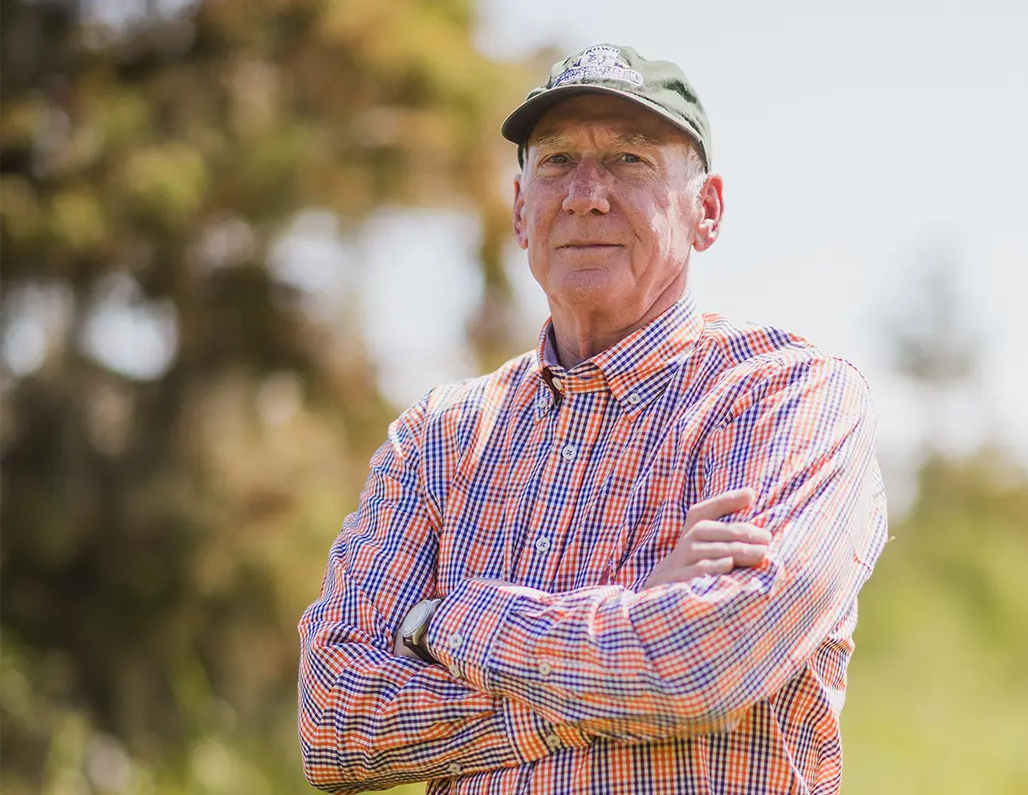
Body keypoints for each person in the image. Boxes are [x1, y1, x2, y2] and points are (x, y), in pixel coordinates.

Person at [298, 43, 889, 795]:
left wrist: (442, 622)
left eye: (630, 161)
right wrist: (639, 616)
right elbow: (334, 725)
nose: (585, 194)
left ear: (706, 210)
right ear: (519, 211)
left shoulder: (784, 398)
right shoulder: (439, 438)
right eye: (555, 162)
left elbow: (704, 663)